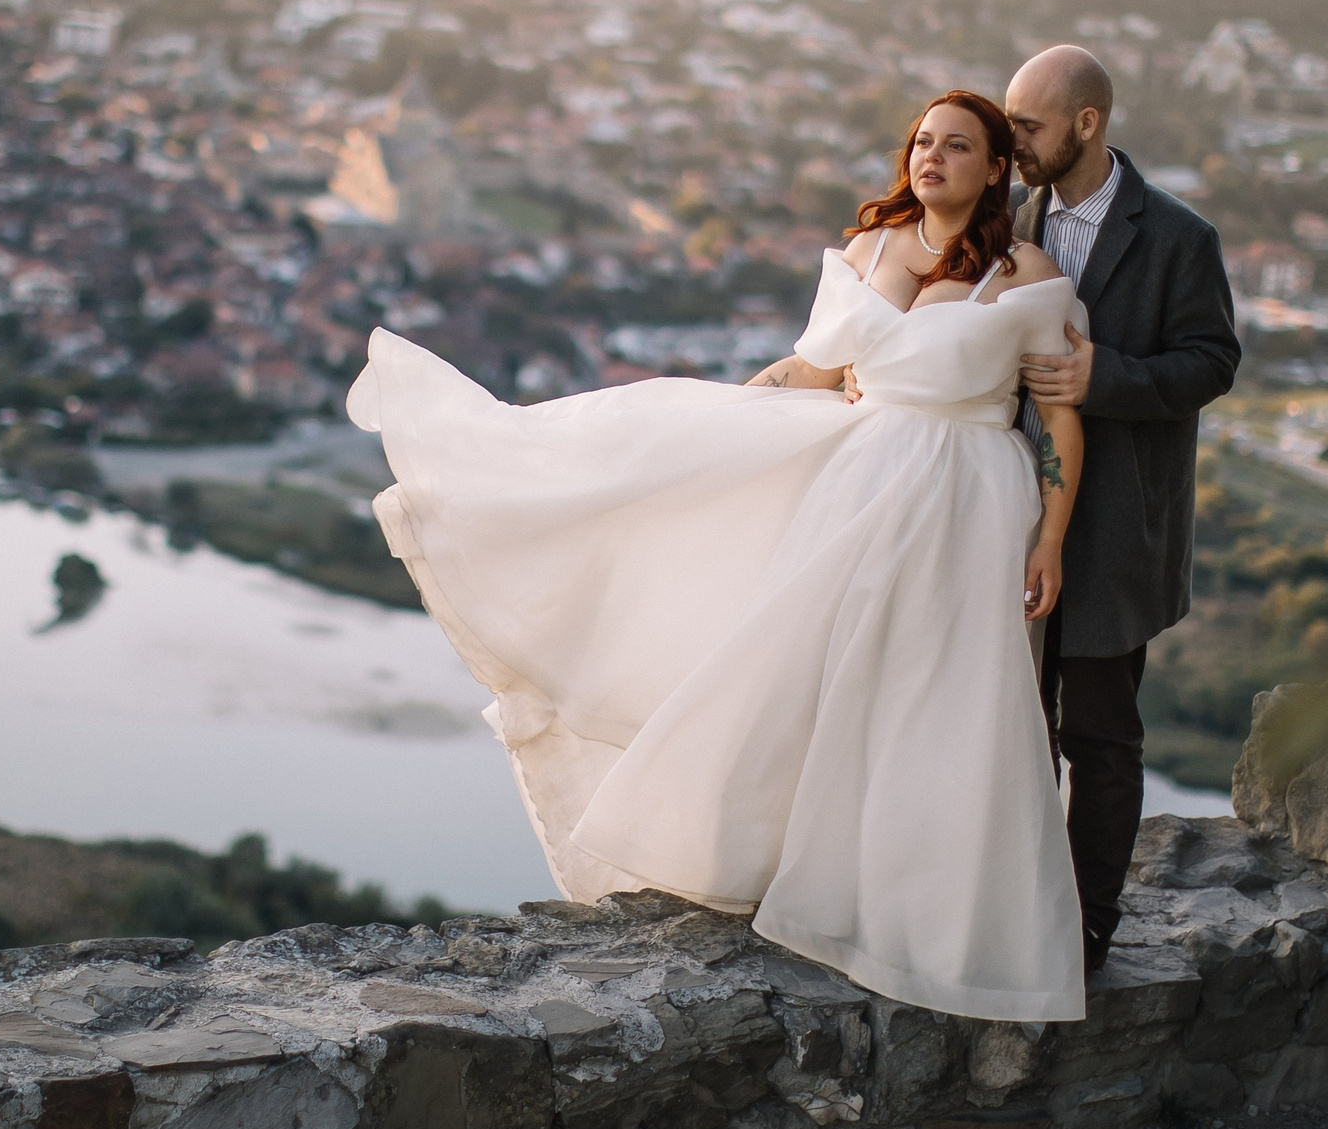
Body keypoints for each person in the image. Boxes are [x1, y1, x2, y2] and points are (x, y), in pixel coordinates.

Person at [348, 92, 1088, 1021]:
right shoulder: (868, 252)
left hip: (971, 501)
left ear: (993, 169)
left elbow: (1059, 419)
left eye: (957, 145)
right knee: (814, 682)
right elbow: (811, 372)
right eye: (922, 141)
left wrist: (1050, 537)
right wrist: (721, 420)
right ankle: (804, 881)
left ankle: (935, 929)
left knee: (941, 707)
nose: (932, 156)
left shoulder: (1025, 275)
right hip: (860, 488)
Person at [1003, 46, 1240, 973]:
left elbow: (1212, 362)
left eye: (1029, 124)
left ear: (1087, 123)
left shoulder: (1181, 237)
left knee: (1100, 735)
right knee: (1016, 726)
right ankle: (1021, 907)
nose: (1013, 139)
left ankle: (1089, 929)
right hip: (1010, 518)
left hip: (1115, 531)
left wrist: (1110, 377)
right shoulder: (1012, 215)